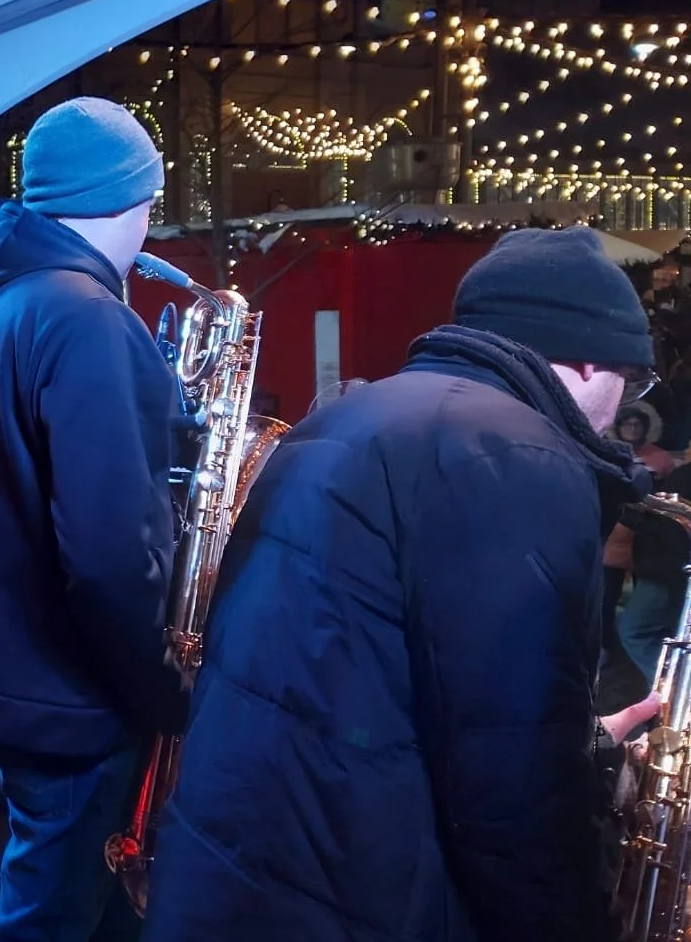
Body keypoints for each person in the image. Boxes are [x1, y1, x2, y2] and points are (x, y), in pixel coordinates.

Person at [143, 226, 663, 942]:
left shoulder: (348, 415)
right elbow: (512, 794)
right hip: (354, 901)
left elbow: (364, 674)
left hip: (232, 877)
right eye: (631, 381)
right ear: (585, 357)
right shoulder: (519, 458)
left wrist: (574, 740)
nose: (623, 413)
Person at [0, 97, 179, 942]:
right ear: (134, 200)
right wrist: (164, 690)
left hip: (12, 669)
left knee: (84, 896)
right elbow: (111, 560)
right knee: (47, 914)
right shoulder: (88, 318)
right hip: (76, 691)